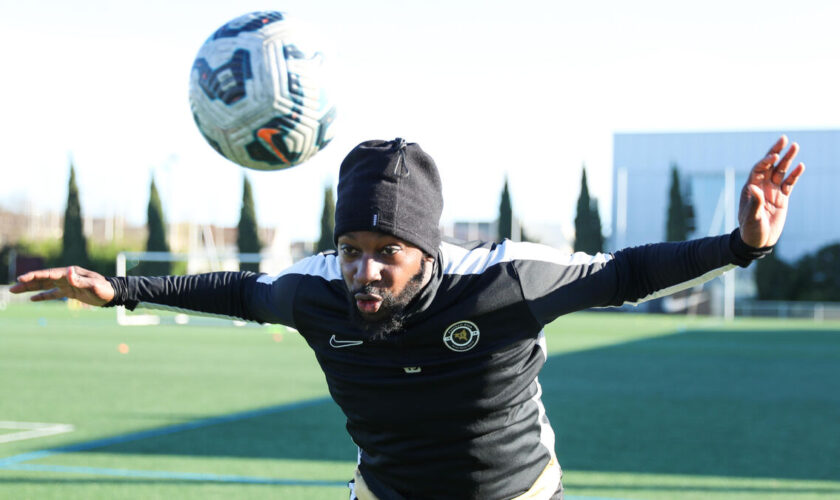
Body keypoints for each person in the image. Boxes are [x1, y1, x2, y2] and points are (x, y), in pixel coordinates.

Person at [11, 136, 804, 499]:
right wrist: (120, 290)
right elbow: (240, 293)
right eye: (350, 247)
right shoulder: (317, 292)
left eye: (385, 250)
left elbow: (626, 272)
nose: (363, 269)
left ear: (426, 248)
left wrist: (741, 244)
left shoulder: (503, 279)